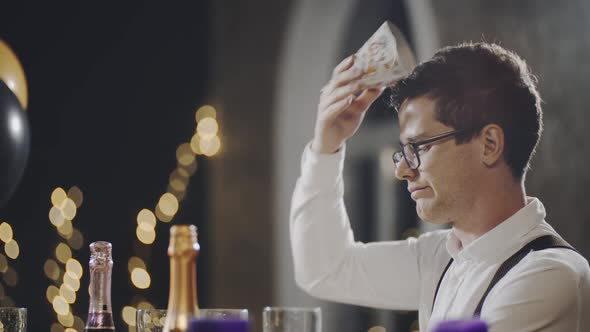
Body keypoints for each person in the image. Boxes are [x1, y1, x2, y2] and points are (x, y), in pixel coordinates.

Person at [290, 42, 590, 331]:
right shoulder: (440, 258)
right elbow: (326, 270)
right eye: (404, 151)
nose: (402, 170)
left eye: (418, 146)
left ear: (489, 145)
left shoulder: (549, 275)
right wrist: (326, 146)